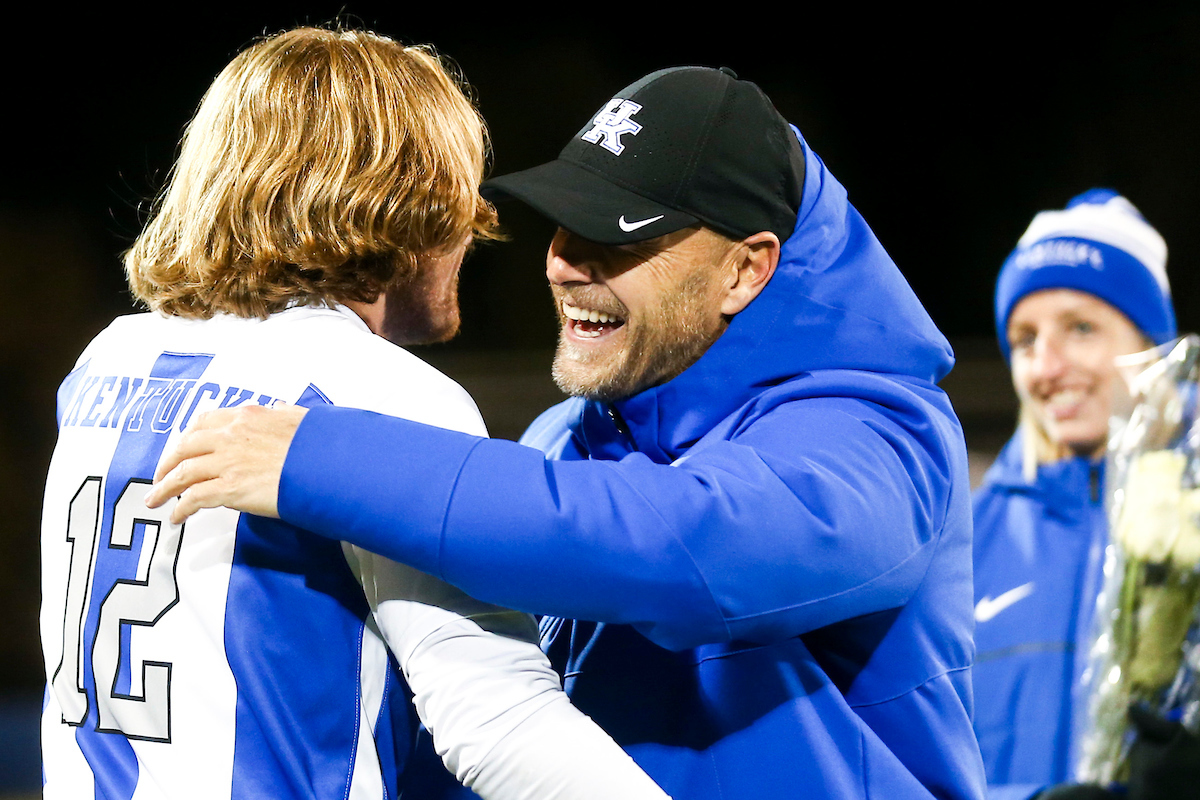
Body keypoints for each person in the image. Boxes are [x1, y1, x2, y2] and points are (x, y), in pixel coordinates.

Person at [149, 66, 987, 799]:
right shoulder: (562, 440)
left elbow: (683, 548)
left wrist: (322, 452)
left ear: (745, 268)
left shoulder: (884, 437)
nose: (565, 263)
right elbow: (489, 718)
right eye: (565, 225)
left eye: (619, 239)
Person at [39, 27, 670, 800]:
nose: (472, 226)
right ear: (409, 199)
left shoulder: (107, 362)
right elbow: (499, 723)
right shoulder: (375, 389)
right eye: (458, 188)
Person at [972, 189, 1200, 800]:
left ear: (1152, 346)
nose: (1045, 367)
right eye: (1024, 339)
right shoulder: (959, 543)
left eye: (1080, 328)